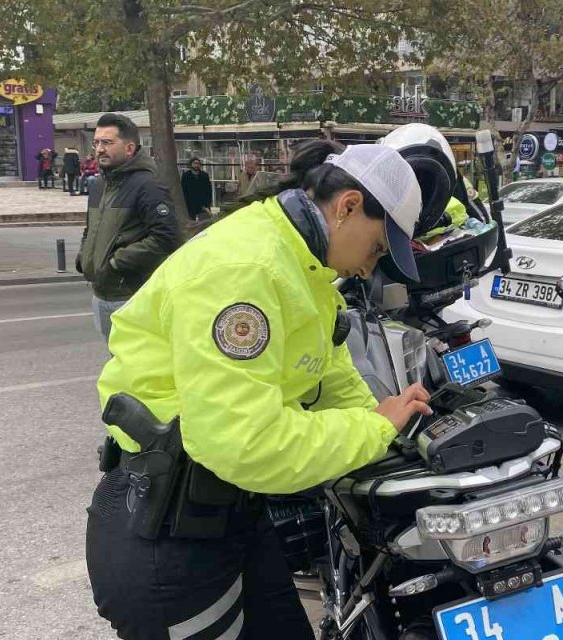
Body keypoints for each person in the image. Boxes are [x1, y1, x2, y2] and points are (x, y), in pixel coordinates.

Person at [85, 140, 433, 640]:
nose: (368, 269)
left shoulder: (304, 268)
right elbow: (245, 441)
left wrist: (395, 432)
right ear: (348, 207)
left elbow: (328, 374)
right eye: (377, 249)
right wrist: (374, 428)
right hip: (168, 535)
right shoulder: (246, 271)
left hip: (230, 511)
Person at [75, 113, 181, 342]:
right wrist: (83, 257)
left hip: (131, 296)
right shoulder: (99, 185)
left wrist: (116, 263)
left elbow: (166, 238)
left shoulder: (148, 185)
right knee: (114, 359)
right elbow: (90, 228)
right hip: (101, 294)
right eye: (96, 142)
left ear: (130, 148)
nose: (99, 149)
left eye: (107, 142)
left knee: (139, 361)